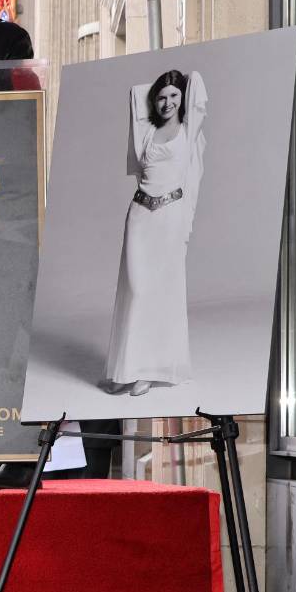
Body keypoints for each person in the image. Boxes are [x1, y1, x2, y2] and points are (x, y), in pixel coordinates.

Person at [103, 70, 207, 398]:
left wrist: (187, 224)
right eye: (162, 97)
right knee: (136, 289)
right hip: (139, 216)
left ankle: (147, 372)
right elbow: (136, 94)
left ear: (184, 99)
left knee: (160, 292)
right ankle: (127, 368)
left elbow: (194, 182)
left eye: (175, 96)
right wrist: (164, 86)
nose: (167, 102)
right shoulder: (145, 132)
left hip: (170, 217)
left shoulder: (191, 134)